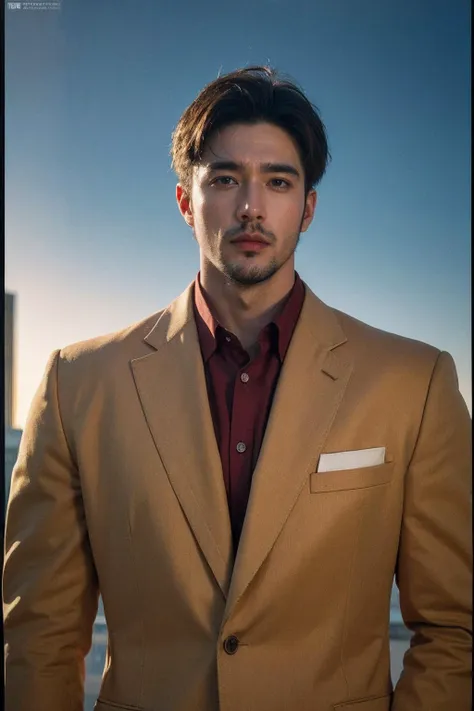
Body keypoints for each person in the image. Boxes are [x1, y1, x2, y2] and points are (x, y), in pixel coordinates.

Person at [3, 66, 471, 711]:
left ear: (307, 207)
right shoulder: (78, 384)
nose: (251, 205)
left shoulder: (413, 383)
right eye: (224, 179)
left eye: (278, 181)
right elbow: (38, 633)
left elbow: (456, 627)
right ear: (184, 202)